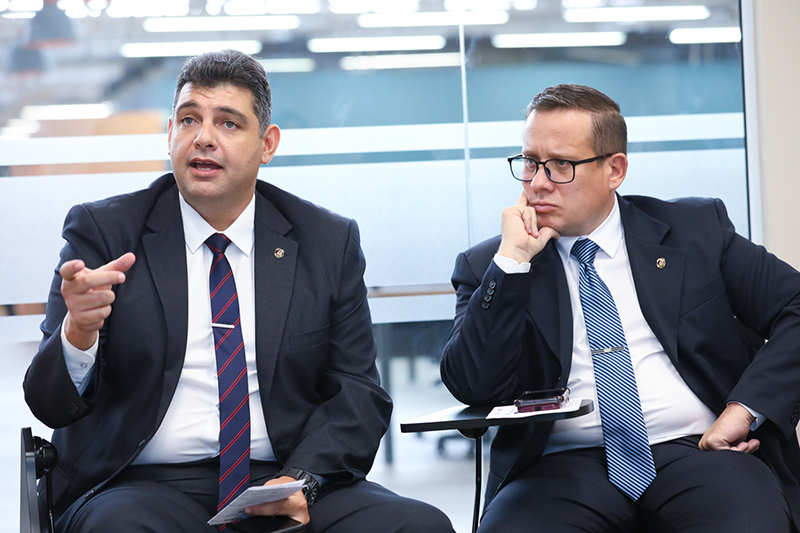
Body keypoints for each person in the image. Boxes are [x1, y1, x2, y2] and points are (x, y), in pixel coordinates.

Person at [24, 49, 454, 533]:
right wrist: (78, 331)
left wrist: (303, 479)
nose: (203, 138)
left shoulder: (326, 241)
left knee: (418, 524)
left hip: (282, 478)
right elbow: (48, 404)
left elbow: (357, 392)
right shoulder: (105, 233)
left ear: (266, 144)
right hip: (142, 484)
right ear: (170, 134)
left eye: (228, 124)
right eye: (189, 120)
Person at [440, 84, 800, 532]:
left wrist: (743, 411)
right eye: (530, 162)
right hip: (559, 468)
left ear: (615, 169)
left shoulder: (695, 230)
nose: (537, 183)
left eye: (561, 165)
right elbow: (472, 385)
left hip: (699, 451)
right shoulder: (491, 264)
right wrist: (511, 265)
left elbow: (796, 306)